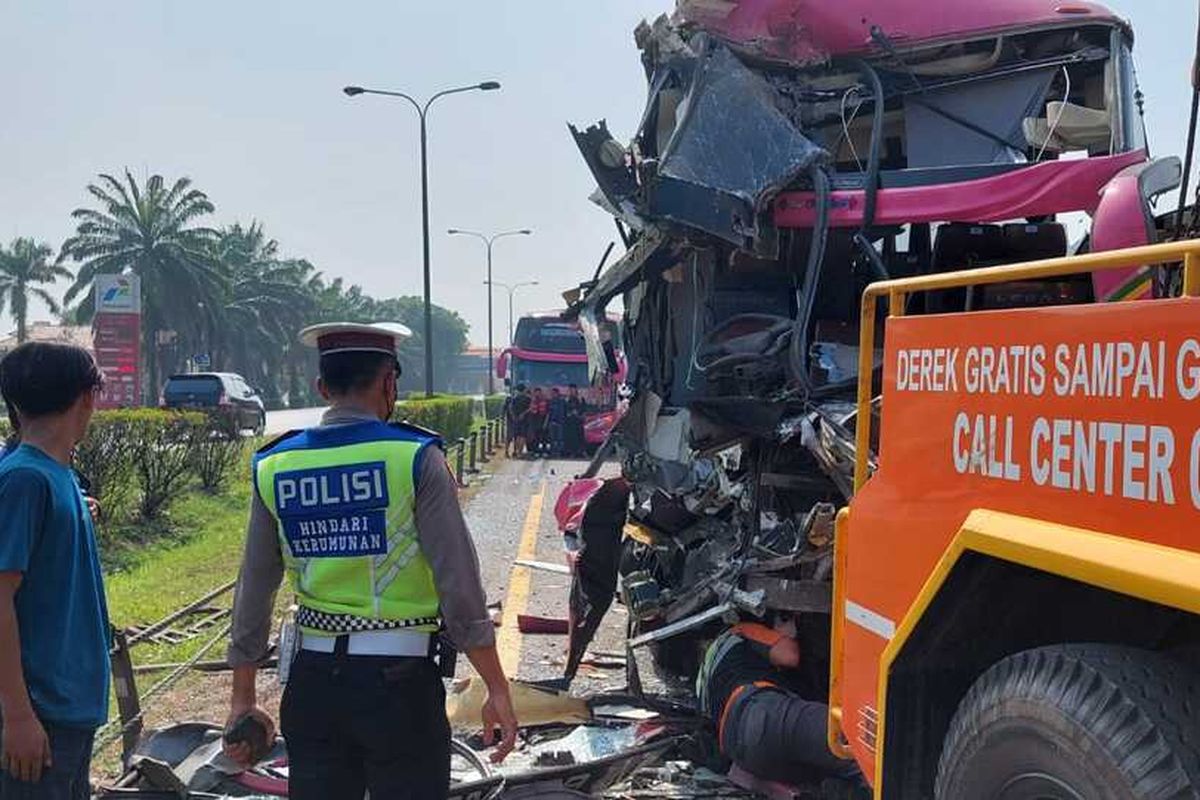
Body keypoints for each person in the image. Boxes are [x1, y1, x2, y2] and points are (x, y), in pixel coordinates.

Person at [225, 322, 518, 800]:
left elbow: (253, 588)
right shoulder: (415, 458)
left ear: (322, 388)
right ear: (389, 383)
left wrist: (242, 699)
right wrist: (496, 688)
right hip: (399, 689)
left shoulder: (275, 465)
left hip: (313, 684)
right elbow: (459, 586)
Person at [0, 342, 108, 800]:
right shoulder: (24, 480)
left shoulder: (56, 475)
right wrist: (18, 716)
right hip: (40, 712)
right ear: (87, 397)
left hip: (70, 705)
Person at [697, 619, 867, 796]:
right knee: (863, 746)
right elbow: (789, 655)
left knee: (839, 775)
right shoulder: (740, 631)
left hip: (742, 753)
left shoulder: (708, 673)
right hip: (761, 712)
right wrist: (787, 633)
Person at [508, 384, 532, 458]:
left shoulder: (514, 398)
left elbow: (510, 408)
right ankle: (520, 452)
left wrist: (514, 416)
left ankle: (517, 451)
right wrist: (523, 414)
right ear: (524, 390)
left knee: (517, 436)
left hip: (516, 419)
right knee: (523, 436)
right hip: (525, 419)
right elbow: (530, 408)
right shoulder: (528, 398)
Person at [564, 385, 585, 458]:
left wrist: (579, 413)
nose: (572, 391)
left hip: (578, 422)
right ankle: (571, 452)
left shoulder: (580, 399)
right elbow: (564, 410)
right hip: (569, 423)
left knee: (580, 437)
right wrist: (569, 413)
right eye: (570, 390)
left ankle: (580, 452)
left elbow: (583, 409)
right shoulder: (566, 400)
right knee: (570, 438)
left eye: (573, 390)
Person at [528, 387, 548, 457]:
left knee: (544, 437)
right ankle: (535, 451)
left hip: (542, 420)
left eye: (539, 392)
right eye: (536, 392)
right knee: (535, 438)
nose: (538, 394)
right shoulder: (532, 401)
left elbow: (547, 412)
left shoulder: (544, 401)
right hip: (535, 421)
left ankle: (544, 451)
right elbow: (531, 412)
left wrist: (545, 422)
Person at [547, 388, 566, 457]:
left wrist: (559, 421)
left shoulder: (561, 401)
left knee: (559, 439)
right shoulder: (550, 402)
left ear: (557, 393)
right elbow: (549, 413)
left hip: (560, 422)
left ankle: (559, 452)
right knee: (552, 439)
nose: (552, 394)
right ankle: (552, 452)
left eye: (554, 393)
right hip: (552, 422)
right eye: (552, 393)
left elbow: (562, 412)